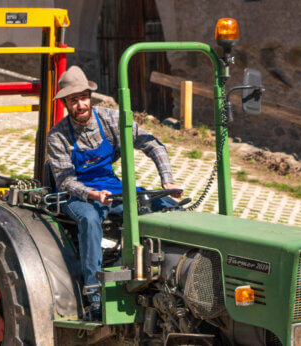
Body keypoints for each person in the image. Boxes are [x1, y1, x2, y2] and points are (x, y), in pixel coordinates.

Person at [47, 66, 182, 319]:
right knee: (89, 219)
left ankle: (169, 274)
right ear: (65, 103)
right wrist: (91, 195)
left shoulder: (111, 119)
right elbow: (65, 181)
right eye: (73, 100)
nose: (80, 105)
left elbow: (152, 143)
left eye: (83, 97)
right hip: (76, 194)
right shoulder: (57, 136)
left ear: (90, 96)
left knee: (160, 204)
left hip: (110, 185)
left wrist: (167, 181)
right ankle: (93, 292)